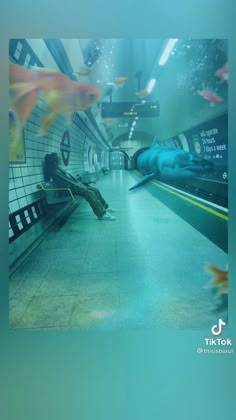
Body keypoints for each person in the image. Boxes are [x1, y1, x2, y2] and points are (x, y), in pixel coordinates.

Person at [44, 153, 116, 221]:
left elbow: (69, 179)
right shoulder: (55, 171)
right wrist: (81, 186)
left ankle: (105, 207)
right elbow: (68, 181)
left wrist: (81, 184)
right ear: (54, 161)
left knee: (95, 190)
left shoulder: (57, 169)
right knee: (90, 193)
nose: (60, 161)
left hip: (73, 186)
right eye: (58, 159)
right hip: (68, 189)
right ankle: (102, 214)